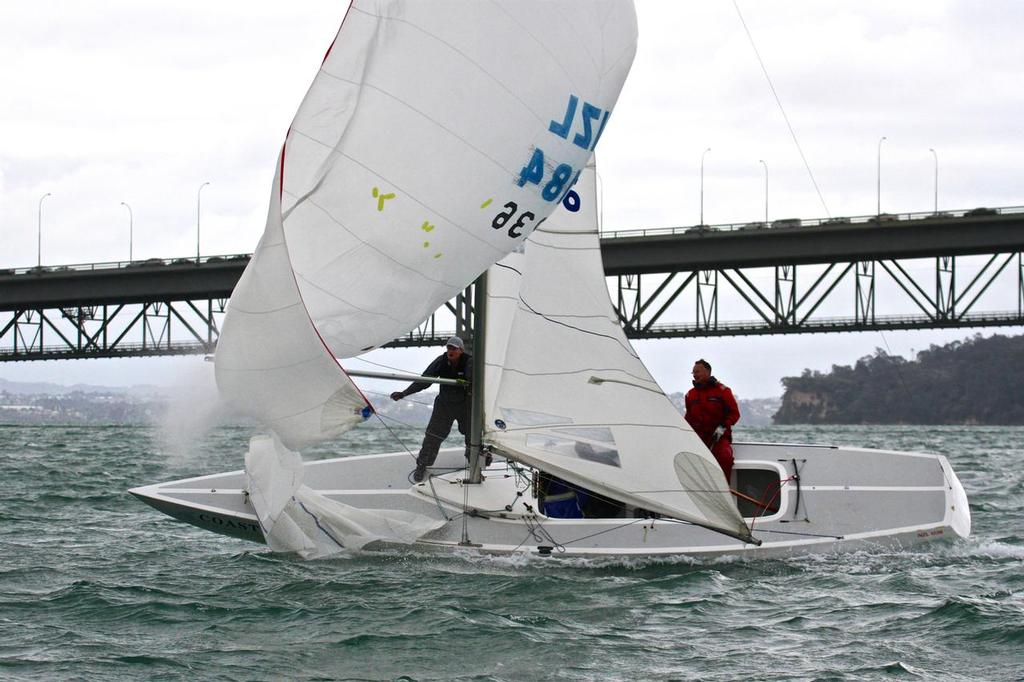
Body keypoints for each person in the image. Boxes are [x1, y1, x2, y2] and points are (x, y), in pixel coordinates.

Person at [390, 336, 472, 482]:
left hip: (465, 405)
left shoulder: (470, 362)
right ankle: (422, 465)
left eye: (454, 348)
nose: (450, 351)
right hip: (444, 405)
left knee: (473, 433)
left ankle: (475, 462)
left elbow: (481, 383)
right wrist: (404, 393)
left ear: (461, 350)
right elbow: (424, 381)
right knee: (433, 436)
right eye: (448, 348)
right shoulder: (441, 361)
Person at [683, 359, 740, 483]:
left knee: (725, 458)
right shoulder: (689, 395)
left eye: (697, 371)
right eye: (693, 372)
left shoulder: (723, 391)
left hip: (719, 438)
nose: (694, 375)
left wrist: (723, 426)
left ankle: (724, 490)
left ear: (708, 372)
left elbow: (734, 414)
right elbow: (688, 418)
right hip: (699, 438)